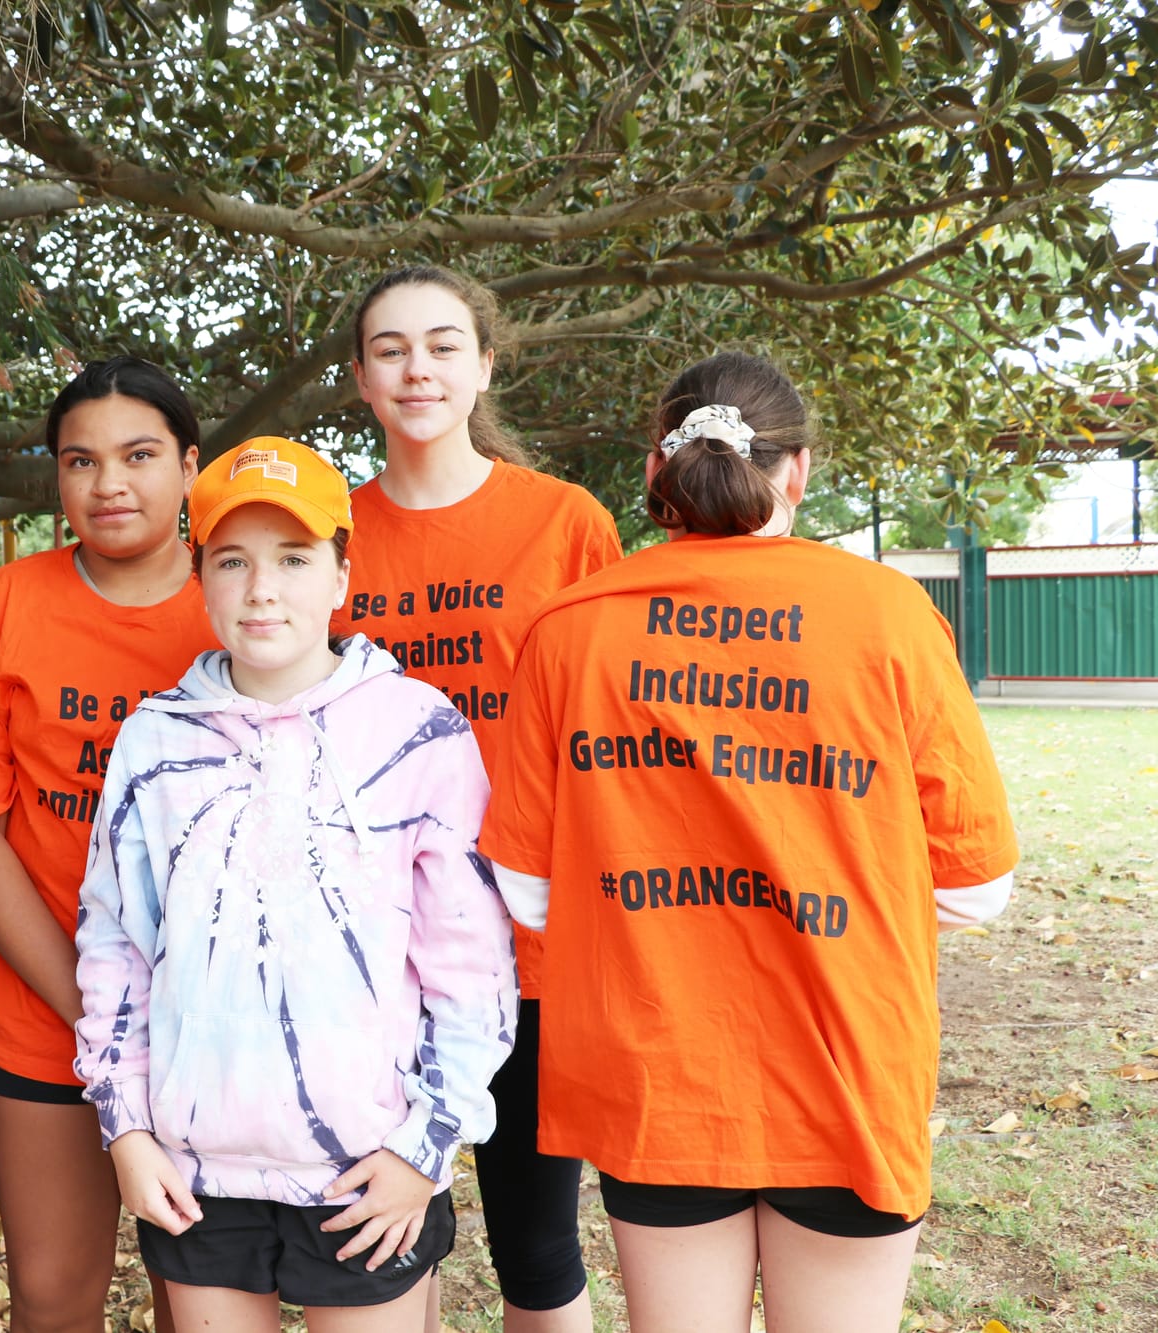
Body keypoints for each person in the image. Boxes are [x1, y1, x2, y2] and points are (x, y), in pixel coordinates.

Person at [489, 350, 1019, 1333]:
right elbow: (975, 884)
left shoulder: (570, 627)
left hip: (659, 1073)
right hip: (846, 1063)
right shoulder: (888, 614)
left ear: (658, 467)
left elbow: (523, 888)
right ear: (799, 470)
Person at [75, 435, 517, 1333]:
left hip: (368, 1168)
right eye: (232, 561)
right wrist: (125, 1126)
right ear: (199, 577)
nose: (262, 588)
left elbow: (473, 968)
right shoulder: (153, 740)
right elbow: (117, 942)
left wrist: (425, 1145)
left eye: (293, 557)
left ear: (342, 575)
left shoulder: (420, 731)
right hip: (198, 1171)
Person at [329, 263, 622, 1331]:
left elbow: (607, 726)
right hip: (367, 936)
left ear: (484, 363)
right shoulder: (329, 533)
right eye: (391, 349)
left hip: (526, 933)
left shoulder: (564, 523)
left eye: (443, 345)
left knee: (535, 1251)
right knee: (377, 1237)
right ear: (359, 376)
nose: (418, 368)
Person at [0, 356, 212, 1333]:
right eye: (79, 461)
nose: (109, 484)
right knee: (52, 1295)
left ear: (188, 464)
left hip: (211, 1022)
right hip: (42, 1007)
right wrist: (88, 1006)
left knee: (205, 1296)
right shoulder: (1, 608)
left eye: (138, 455)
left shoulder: (243, 599)